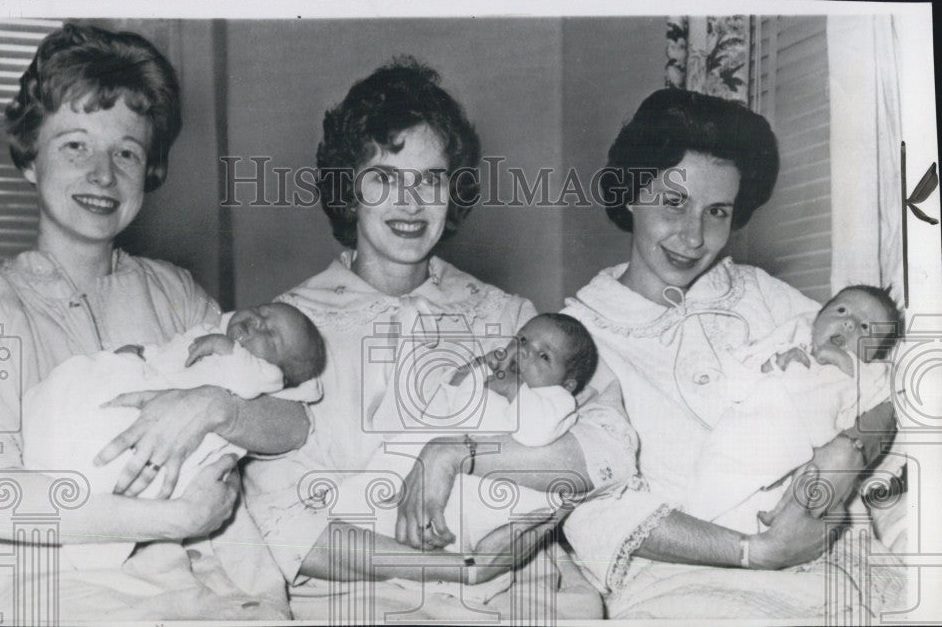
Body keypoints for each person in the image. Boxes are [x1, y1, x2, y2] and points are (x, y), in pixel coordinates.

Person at [243, 58, 633, 621]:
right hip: (359, 603)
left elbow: (611, 449)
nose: (410, 202)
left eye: (431, 178)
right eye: (384, 177)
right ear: (346, 190)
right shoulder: (287, 331)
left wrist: (462, 454)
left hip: (524, 596)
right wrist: (455, 569)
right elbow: (283, 524)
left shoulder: (511, 318)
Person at [0, 24, 310, 621]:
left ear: (148, 170)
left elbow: (292, 420)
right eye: (75, 145)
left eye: (126, 152)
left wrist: (214, 405)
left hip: (199, 588)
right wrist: (172, 519)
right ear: (29, 159)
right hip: (46, 590)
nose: (104, 175)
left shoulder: (175, 293)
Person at [555, 88, 905, 619]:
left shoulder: (763, 294)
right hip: (688, 583)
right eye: (674, 202)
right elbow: (594, 509)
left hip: (838, 562)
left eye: (716, 211)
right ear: (630, 193)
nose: (693, 236)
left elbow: (880, 387)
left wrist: (848, 452)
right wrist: (755, 553)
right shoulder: (576, 336)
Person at [21, 302, 326, 572]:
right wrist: (141, 354)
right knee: (89, 385)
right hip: (146, 387)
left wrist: (226, 349)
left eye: (271, 337)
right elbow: (170, 355)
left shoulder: (261, 374)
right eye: (261, 312)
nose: (258, 323)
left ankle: (96, 524)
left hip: (182, 444)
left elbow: (272, 398)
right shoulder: (205, 330)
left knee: (132, 462)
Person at [336, 313, 598, 563]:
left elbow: (536, 432)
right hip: (438, 459)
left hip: (487, 483)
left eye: (543, 356)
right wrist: (478, 366)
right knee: (393, 458)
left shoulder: (556, 399)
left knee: (450, 511)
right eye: (522, 340)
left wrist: (512, 389)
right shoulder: (493, 375)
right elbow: (451, 390)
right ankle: (354, 508)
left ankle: (423, 541)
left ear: (567, 384)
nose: (525, 351)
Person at [686, 284, 901, 531]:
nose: (850, 323)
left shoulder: (870, 374)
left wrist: (848, 365)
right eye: (842, 310)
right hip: (752, 431)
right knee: (718, 477)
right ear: (818, 317)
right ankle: (700, 520)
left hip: (804, 457)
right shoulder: (790, 342)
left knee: (791, 504)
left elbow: (885, 399)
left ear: (874, 353)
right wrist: (773, 364)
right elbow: (738, 378)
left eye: (866, 327)